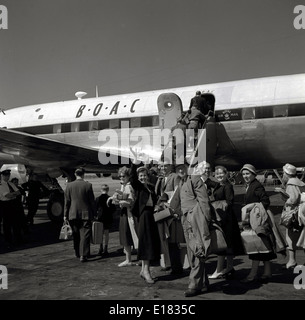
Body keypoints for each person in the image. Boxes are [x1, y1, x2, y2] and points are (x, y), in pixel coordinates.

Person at [202, 165, 244, 279]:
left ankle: (219, 270)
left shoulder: (228, 186)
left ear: (226, 174)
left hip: (226, 219)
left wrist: (215, 204)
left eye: (221, 173)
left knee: (222, 243)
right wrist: (204, 175)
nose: (219, 175)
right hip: (224, 217)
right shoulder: (219, 184)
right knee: (229, 243)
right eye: (217, 174)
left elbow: (229, 201)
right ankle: (229, 267)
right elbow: (210, 182)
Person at [180, 164, 214, 297]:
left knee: (197, 250)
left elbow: (204, 201)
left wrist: (205, 220)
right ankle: (203, 282)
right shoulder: (185, 181)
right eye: (179, 168)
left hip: (195, 218)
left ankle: (194, 285)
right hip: (187, 218)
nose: (181, 171)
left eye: (184, 168)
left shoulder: (195, 180)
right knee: (192, 250)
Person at [239, 164, 276, 283]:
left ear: (253, 174)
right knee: (263, 246)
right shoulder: (250, 185)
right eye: (244, 174)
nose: (245, 176)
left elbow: (265, 201)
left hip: (257, 220)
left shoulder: (257, 186)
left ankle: (252, 274)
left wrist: (251, 207)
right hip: (255, 219)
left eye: (247, 173)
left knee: (255, 247)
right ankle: (267, 272)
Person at [131, 165, 160, 284]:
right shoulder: (138, 187)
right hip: (143, 216)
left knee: (148, 242)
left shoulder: (150, 187)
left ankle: (144, 270)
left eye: (144, 175)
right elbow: (132, 177)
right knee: (146, 242)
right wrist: (135, 163)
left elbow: (155, 200)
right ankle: (147, 271)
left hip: (150, 216)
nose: (142, 177)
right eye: (140, 176)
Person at [64, 168, 96, 262]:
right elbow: (92, 202)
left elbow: (67, 202)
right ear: (83, 174)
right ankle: (84, 255)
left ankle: (77, 253)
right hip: (86, 213)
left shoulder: (69, 186)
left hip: (73, 213)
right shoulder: (88, 185)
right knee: (85, 234)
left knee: (76, 234)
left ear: (75, 174)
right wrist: (94, 213)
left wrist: (65, 215)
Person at [109, 166, 138, 267]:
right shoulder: (124, 186)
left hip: (127, 213)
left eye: (123, 176)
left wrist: (117, 202)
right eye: (120, 176)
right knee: (125, 236)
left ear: (128, 176)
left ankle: (128, 259)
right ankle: (128, 258)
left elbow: (131, 201)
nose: (121, 178)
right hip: (124, 213)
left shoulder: (128, 186)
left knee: (126, 236)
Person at [154, 161, 181, 272]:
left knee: (173, 240)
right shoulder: (160, 178)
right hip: (163, 212)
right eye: (161, 165)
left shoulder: (174, 177)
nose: (163, 167)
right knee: (165, 238)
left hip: (171, 212)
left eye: (166, 165)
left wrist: (170, 206)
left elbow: (177, 193)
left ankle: (177, 267)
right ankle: (168, 263)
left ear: (171, 166)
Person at [281, 163, 305, 269]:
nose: (282, 175)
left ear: (287, 174)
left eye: (283, 173)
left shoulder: (290, 184)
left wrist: (283, 195)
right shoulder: (301, 183)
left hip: (293, 214)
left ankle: (292, 260)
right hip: (302, 214)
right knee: (303, 237)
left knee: (290, 237)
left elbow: (292, 199)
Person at [0, 170, 22, 247]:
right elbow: (7, 196)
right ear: (2, 176)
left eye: (8, 175)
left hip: (13, 204)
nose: (7, 177)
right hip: (5, 205)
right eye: (5, 175)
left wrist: (12, 194)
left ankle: (17, 239)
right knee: (7, 224)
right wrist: (14, 194)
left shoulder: (11, 183)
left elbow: (19, 192)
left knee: (16, 223)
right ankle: (8, 240)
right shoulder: (0, 185)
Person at [95, 184, 116, 256]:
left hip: (100, 217)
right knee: (106, 233)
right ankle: (106, 248)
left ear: (101, 190)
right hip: (108, 217)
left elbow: (95, 208)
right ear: (108, 190)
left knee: (100, 233)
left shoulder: (98, 198)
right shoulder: (110, 198)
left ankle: (100, 247)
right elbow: (114, 209)